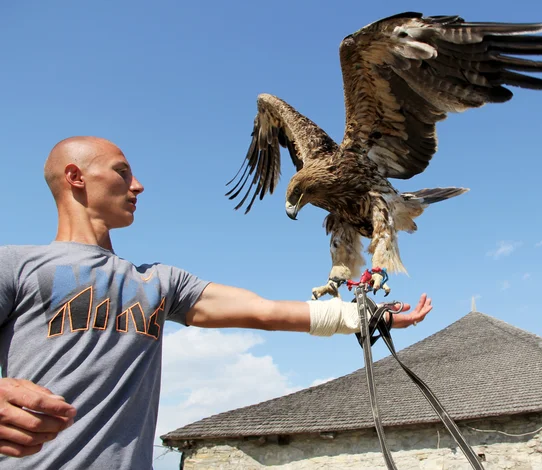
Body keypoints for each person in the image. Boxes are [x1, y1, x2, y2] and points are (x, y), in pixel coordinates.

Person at [0, 136, 433, 469]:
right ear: (76, 177)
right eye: (121, 172)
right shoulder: (17, 265)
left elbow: (264, 311)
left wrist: (362, 316)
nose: (138, 184)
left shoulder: (159, 282)